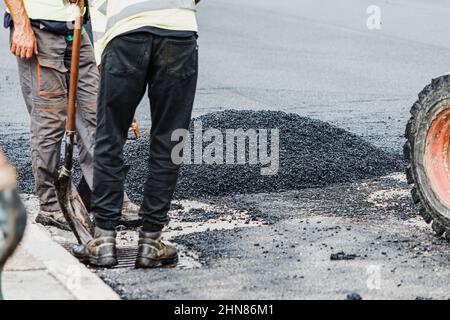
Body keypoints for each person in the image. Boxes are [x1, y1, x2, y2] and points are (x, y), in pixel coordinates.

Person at [73, 0, 201, 268]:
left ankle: (104, 240)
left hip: (125, 34)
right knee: (170, 139)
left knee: (110, 137)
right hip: (177, 32)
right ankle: (151, 242)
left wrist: (100, 51)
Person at [3, 0, 139, 230]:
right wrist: (21, 24)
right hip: (38, 29)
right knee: (50, 119)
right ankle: (51, 204)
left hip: (75, 26)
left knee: (96, 113)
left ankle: (108, 196)